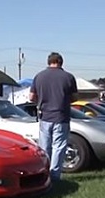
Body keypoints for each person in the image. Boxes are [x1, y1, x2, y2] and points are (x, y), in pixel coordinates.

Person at [29, 52, 78, 182]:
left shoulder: (39, 76)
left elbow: (31, 97)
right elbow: (74, 97)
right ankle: (55, 175)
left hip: (44, 116)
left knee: (45, 146)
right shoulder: (68, 77)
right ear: (61, 62)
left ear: (48, 62)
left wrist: (40, 102)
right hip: (61, 116)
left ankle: (43, 173)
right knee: (59, 146)